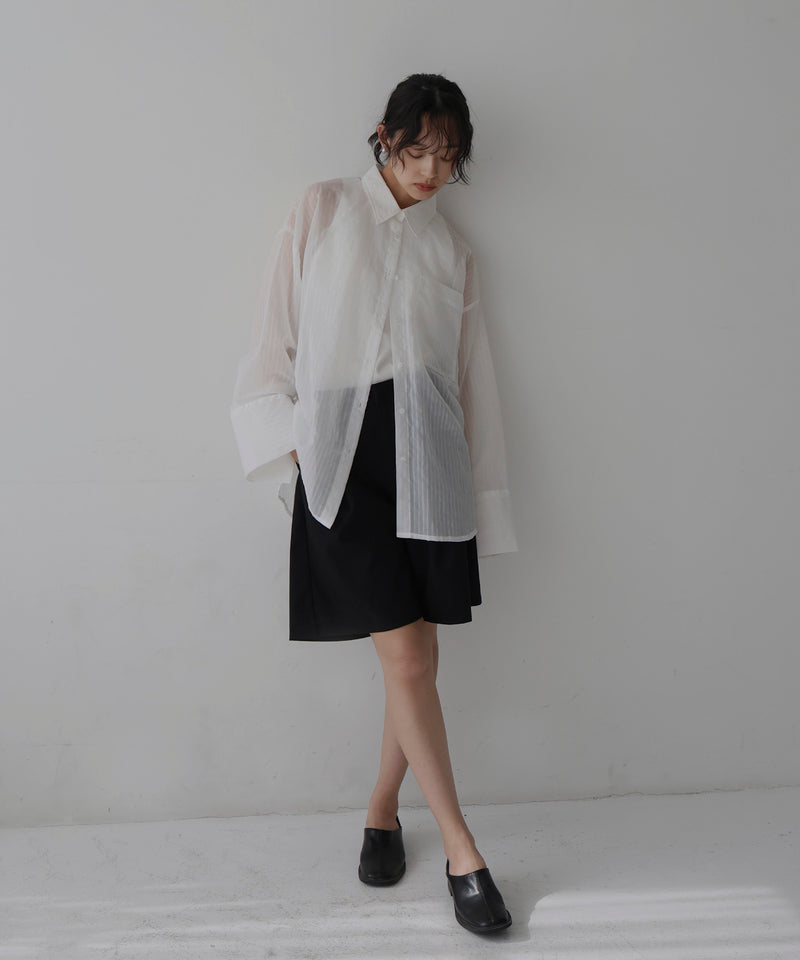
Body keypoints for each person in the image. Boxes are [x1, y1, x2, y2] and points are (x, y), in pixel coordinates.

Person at [230, 73, 518, 936]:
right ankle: (464, 851)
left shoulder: (452, 251)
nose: (432, 170)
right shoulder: (322, 209)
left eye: (448, 156)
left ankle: (383, 811)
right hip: (342, 454)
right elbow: (273, 337)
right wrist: (289, 440)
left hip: (427, 455)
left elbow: (469, 379)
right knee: (407, 656)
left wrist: (482, 494)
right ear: (384, 136)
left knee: (417, 656)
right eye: (419, 148)